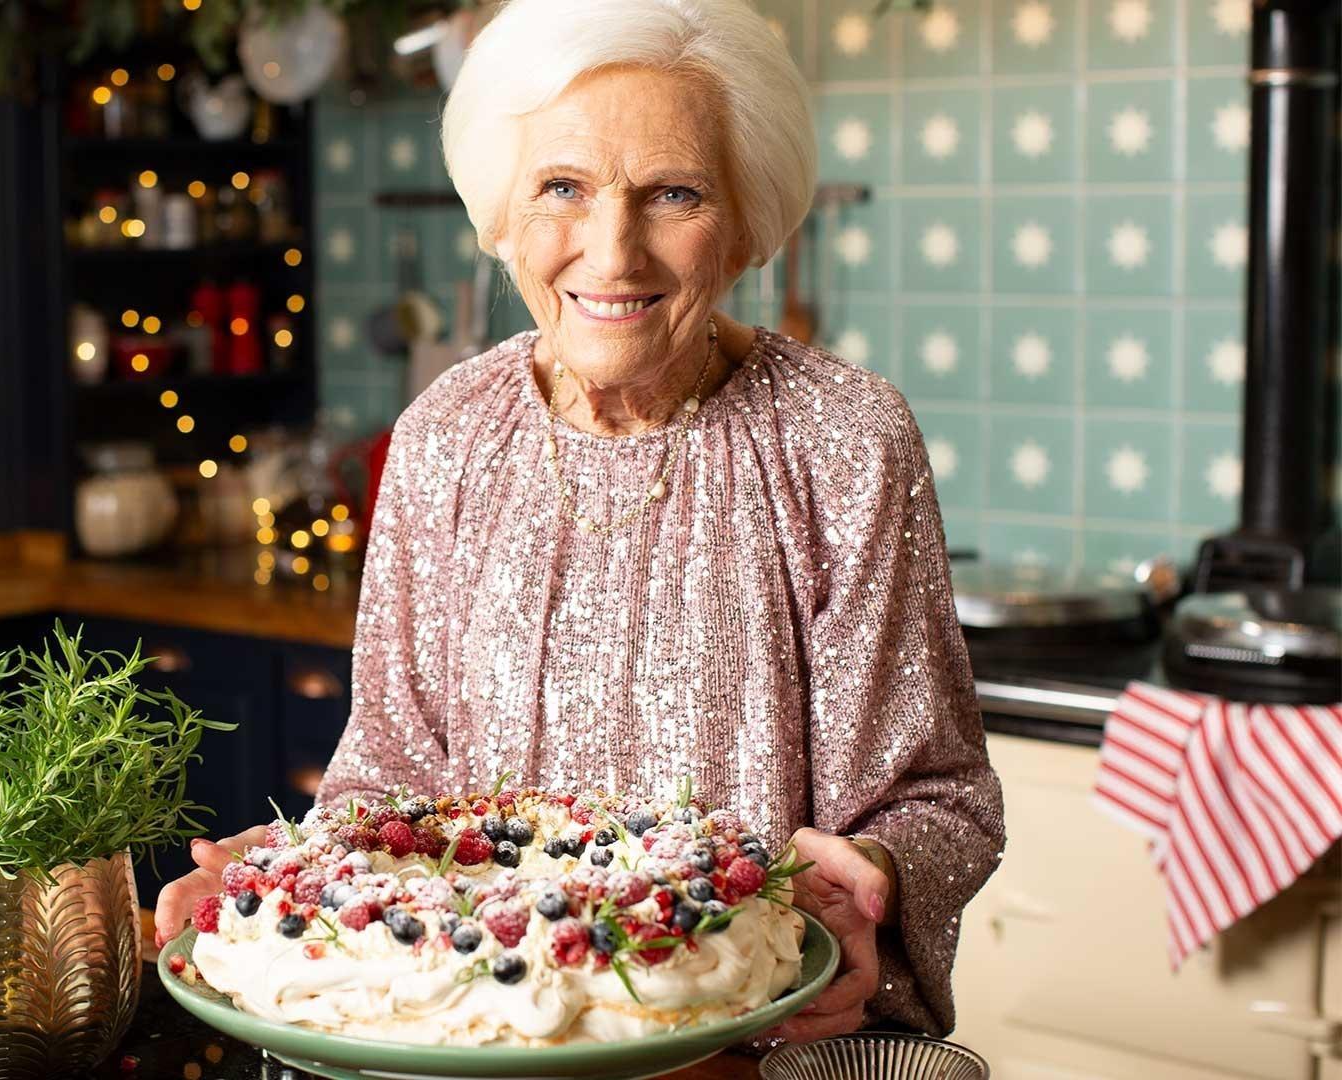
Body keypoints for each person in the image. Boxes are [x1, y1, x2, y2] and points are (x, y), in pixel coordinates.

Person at [158, 0, 1004, 1042]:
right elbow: (390, 773)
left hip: (750, 1055)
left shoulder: (843, 439)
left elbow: (937, 799)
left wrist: (873, 875)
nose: (613, 253)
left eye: (674, 194)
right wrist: (296, 887)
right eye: (563, 186)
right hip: (480, 1047)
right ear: (500, 216)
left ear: (746, 222)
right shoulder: (443, 437)